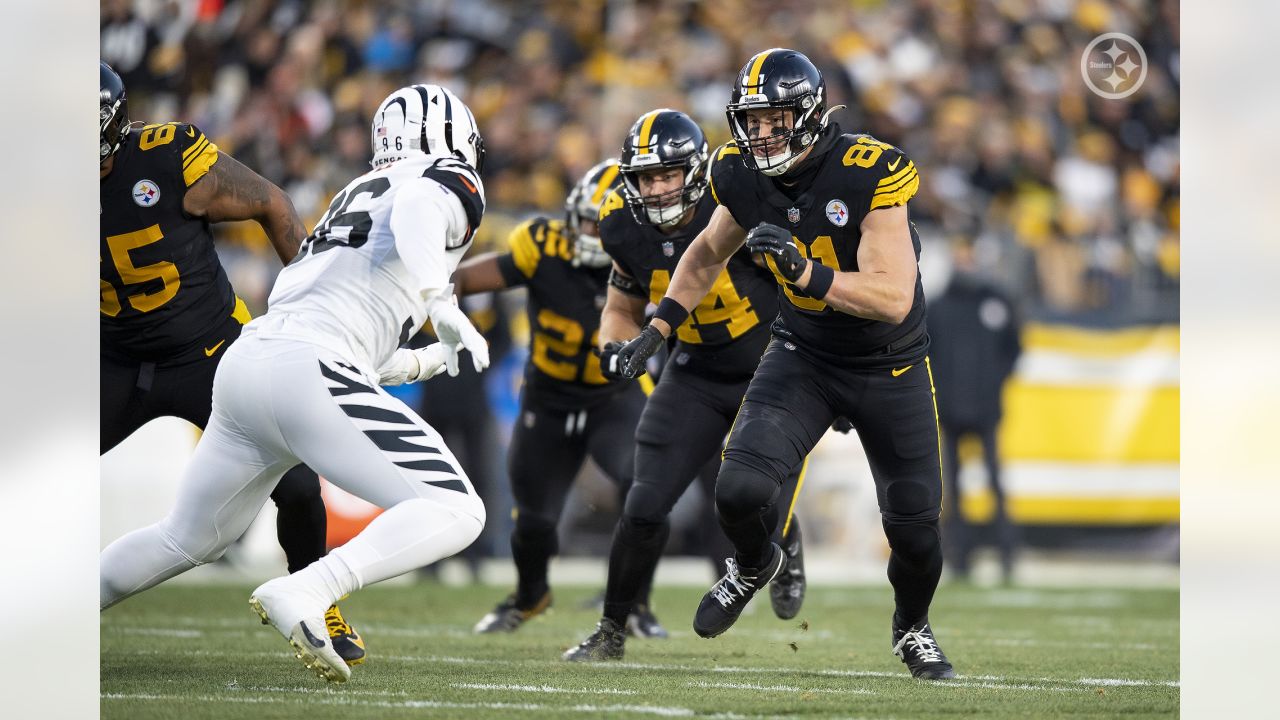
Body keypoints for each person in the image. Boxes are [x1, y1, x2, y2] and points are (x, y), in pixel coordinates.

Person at [100, 83, 491, 684]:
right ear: (456, 138)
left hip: (249, 361)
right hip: (305, 370)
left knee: (184, 538)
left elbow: (349, 340)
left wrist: (425, 361)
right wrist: (440, 301)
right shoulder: (443, 181)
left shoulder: (353, 196)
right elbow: (419, 209)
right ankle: (311, 591)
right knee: (457, 509)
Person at [613, 49, 955, 680]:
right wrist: (659, 327)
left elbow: (892, 297)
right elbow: (704, 255)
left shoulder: (869, 169)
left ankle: (912, 627)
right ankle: (752, 563)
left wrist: (808, 272)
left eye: (776, 119)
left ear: (811, 113)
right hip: (805, 353)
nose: (762, 133)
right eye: (753, 120)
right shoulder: (739, 173)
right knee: (738, 489)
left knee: (914, 527)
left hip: (890, 364)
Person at [98, 61, 364, 665]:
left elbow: (272, 202)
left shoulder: (167, 158)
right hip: (114, 357)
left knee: (297, 484)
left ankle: (316, 601)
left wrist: (309, 309)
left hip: (210, 353)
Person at [563, 110, 807, 663]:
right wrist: (612, 346)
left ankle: (785, 542)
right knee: (644, 504)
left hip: (765, 370)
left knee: (752, 503)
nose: (656, 188)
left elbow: (801, 289)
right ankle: (610, 632)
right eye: (647, 177)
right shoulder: (623, 225)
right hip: (692, 371)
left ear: (694, 172)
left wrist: (821, 366)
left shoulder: (736, 206)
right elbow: (622, 305)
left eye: (668, 175)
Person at [452, 159, 667, 637]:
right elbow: (465, 278)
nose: (590, 231)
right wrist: (437, 302)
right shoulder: (542, 246)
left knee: (648, 493)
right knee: (533, 520)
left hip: (613, 398)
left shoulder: (648, 257)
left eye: (600, 221)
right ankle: (530, 596)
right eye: (585, 219)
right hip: (548, 398)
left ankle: (635, 605)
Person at [927, 239, 1022, 584]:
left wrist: (994, 383)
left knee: (996, 481)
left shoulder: (996, 301)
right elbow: (926, 352)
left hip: (986, 408)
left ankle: (1007, 553)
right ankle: (959, 556)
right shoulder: (938, 306)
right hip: (950, 410)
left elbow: (1014, 349)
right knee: (953, 486)